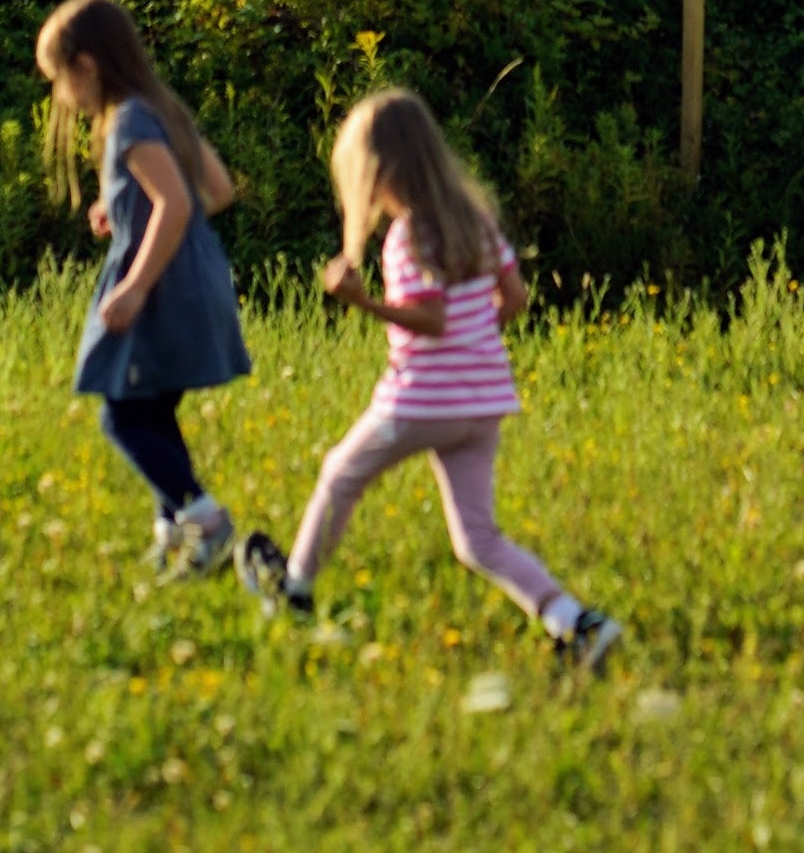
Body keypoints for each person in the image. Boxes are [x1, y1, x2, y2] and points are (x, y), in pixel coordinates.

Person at [235, 87, 619, 670]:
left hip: (421, 400)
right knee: (477, 540)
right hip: (484, 400)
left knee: (339, 474)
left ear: (381, 173)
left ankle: (295, 591)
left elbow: (430, 318)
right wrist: (474, 340)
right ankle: (575, 622)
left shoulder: (408, 235)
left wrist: (363, 304)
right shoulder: (476, 221)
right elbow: (514, 298)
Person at [37, 0, 251, 579]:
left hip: (161, 290)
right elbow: (219, 190)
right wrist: (126, 211)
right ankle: (174, 534)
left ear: (87, 66)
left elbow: (178, 203)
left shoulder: (128, 120)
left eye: (61, 80)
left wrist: (133, 284)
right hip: (192, 280)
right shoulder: (163, 107)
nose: (63, 96)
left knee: (121, 416)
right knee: (150, 412)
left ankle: (204, 521)